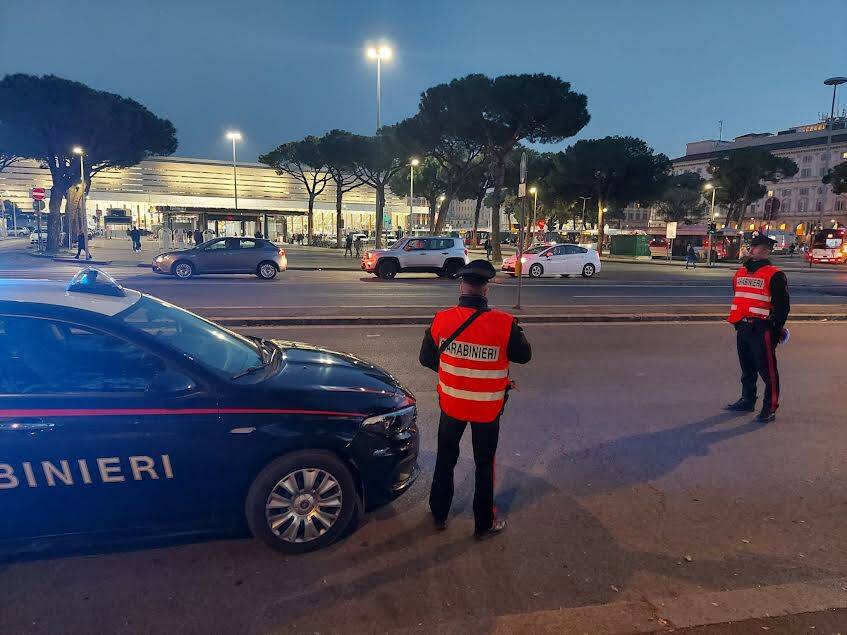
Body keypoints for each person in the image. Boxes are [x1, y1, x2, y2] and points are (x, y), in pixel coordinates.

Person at [419, 260, 532, 540]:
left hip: (452, 406)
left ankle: (439, 515)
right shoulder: (504, 325)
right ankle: (483, 523)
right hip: (487, 409)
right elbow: (524, 355)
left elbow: (426, 358)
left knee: (446, 460)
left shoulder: (441, 320)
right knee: (484, 464)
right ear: (486, 289)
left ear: (461, 286)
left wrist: (457, 373)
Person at [725, 232, 790, 423]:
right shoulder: (740, 273)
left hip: (762, 328)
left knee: (768, 372)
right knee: (747, 368)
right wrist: (739, 323)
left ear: (768, 252)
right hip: (743, 327)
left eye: (764, 249)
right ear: (751, 249)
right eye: (756, 247)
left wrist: (774, 330)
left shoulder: (775, 274)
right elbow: (740, 296)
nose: (759, 251)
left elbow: (782, 307)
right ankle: (747, 399)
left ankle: (770, 407)